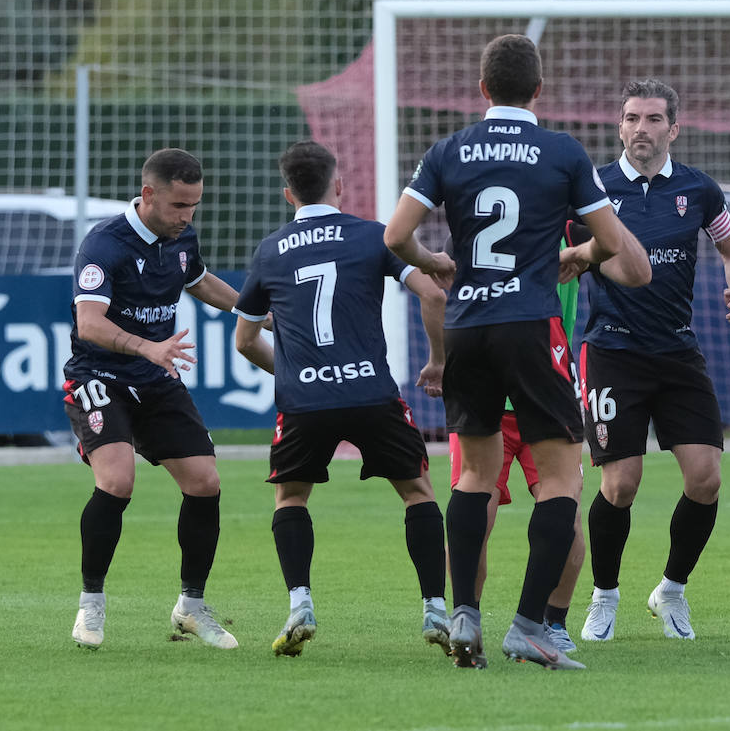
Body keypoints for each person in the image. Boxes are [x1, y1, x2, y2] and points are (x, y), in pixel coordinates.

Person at [383, 34, 648, 670]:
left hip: (469, 325)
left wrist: (437, 261)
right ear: (538, 90)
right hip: (531, 324)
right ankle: (531, 625)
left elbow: (396, 236)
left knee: (474, 477)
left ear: (482, 90)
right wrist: (578, 256)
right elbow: (610, 242)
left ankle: (466, 617)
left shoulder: (449, 149)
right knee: (558, 480)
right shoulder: (561, 151)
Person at [233, 140, 452, 657]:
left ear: (288, 193)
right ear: (339, 185)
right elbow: (434, 294)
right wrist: (438, 361)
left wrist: (291, 374)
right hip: (370, 393)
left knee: (291, 499)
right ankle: (435, 610)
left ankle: (300, 604)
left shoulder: (269, 250)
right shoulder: (373, 237)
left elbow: (244, 340)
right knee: (418, 493)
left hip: (304, 403)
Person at [575, 79, 730, 644]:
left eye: (654, 119)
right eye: (632, 118)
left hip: (678, 351)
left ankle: (671, 591)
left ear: (674, 128)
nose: (641, 129)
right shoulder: (593, 189)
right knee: (620, 484)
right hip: (611, 351)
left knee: (706, 478)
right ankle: (604, 597)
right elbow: (550, 249)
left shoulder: (698, 190)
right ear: (619, 125)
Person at [64, 148, 242, 650]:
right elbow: (90, 324)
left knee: (206, 482)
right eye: (179, 205)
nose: (187, 216)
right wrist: (149, 347)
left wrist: (254, 312)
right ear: (148, 195)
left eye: (194, 206)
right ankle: (91, 606)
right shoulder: (105, 244)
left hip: (155, 378)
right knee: (118, 481)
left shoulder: (181, 236)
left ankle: (191, 606)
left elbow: (198, 279)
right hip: (98, 374)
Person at [445, 240, 588, 656]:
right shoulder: (560, 225)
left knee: (567, 524)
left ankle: (549, 622)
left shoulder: (570, 227)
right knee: (484, 517)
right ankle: (473, 620)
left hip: (531, 389)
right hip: (514, 392)